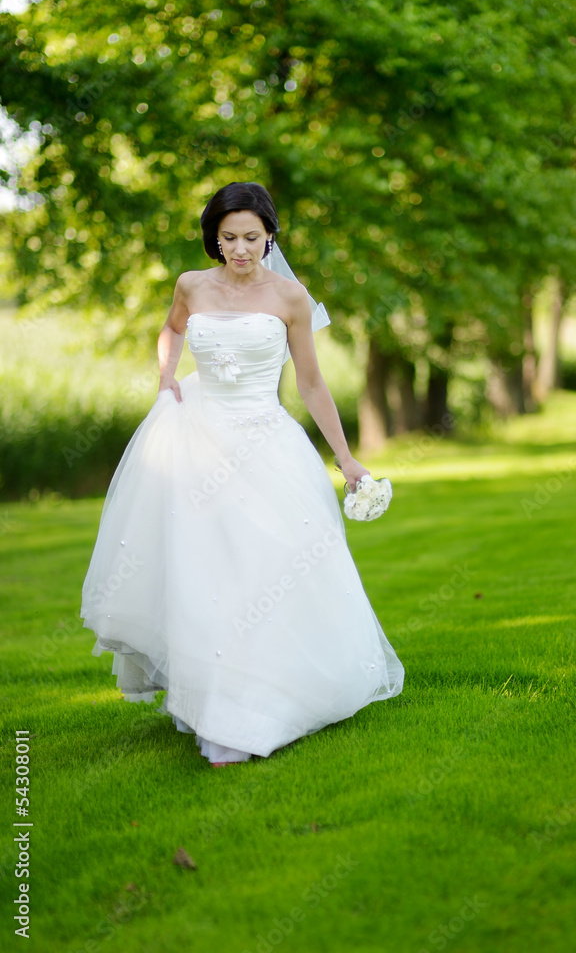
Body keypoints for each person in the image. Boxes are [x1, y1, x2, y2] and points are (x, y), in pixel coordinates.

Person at [80, 181, 404, 766]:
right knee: (204, 572)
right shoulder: (191, 286)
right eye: (228, 238)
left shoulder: (290, 298)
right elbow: (173, 329)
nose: (240, 249)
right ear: (215, 239)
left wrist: (346, 458)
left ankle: (264, 699)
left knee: (265, 570)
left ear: (270, 235)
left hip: (264, 444)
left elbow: (310, 383)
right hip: (193, 435)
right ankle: (211, 699)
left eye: (251, 237)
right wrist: (166, 377)